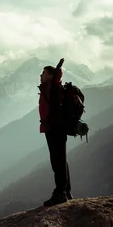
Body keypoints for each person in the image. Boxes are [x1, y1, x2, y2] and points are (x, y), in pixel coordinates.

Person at [38, 58, 72, 206]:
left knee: (57, 160)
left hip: (55, 128)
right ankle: (66, 191)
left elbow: (56, 79)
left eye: (43, 73)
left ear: (50, 76)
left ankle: (60, 192)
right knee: (60, 159)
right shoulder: (49, 87)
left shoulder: (53, 86)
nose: (41, 75)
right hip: (53, 127)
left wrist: (57, 70)